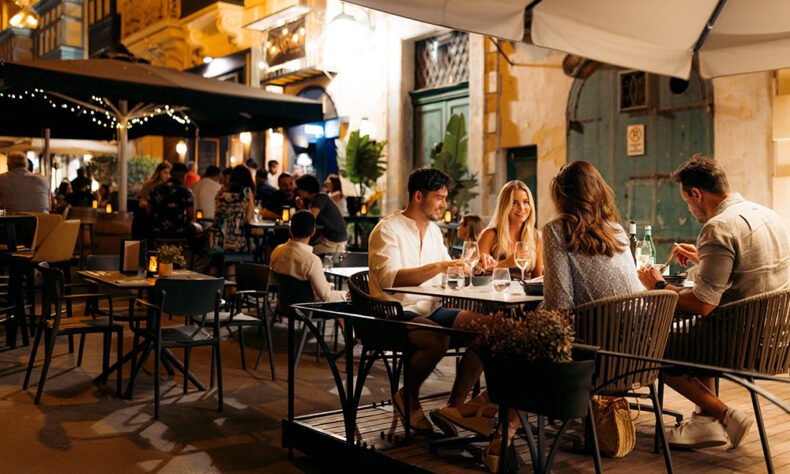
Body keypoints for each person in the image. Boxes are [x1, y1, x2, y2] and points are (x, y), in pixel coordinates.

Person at [637, 154, 790, 449]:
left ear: (697, 194)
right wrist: (703, 257)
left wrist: (657, 284)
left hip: (739, 342)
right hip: (778, 338)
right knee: (699, 329)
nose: (689, 207)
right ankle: (705, 422)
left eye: (687, 201)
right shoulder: (768, 215)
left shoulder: (718, 227)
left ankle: (723, 415)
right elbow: (749, 269)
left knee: (650, 346)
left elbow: (702, 304)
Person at [368, 168, 494, 433]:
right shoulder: (387, 230)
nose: (444, 204)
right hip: (393, 312)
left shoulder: (435, 232)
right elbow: (391, 279)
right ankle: (409, 399)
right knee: (437, 339)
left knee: (488, 329)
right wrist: (441, 266)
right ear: (418, 196)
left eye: (444, 197)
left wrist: (472, 266)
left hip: (432, 308)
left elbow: (448, 272)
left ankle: (454, 408)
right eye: (439, 197)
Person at [270, 210, 346, 302]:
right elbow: (326, 297)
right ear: (313, 232)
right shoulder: (312, 261)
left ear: (290, 230)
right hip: (308, 310)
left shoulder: (276, 251)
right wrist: (347, 295)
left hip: (284, 306)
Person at [477, 180, 543, 277]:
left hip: (525, 292)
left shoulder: (536, 236)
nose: (521, 208)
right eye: (514, 202)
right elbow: (476, 273)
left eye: (525, 202)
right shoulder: (490, 235)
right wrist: (506, 264)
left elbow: (537, 279)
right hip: (496, 291)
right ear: (504, 206)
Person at [296, 174, 348, 254]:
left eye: (299, 189)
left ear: (306, 190)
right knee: (302, 249)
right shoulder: (314, 200)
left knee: (303, 253)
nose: (298, 192)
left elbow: (310, 219)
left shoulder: (320, 198)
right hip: (330, 239)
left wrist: (301, 208)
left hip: (334, 242)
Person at [210, 165, 255, 255]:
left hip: (216, 238)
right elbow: (248, 218)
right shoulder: (246, 192)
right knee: (231, 265)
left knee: (214, 266)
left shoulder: (221, 191)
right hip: (235, 239)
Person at [150, 162, 199, 238]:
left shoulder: (156, 189)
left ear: (171, 173)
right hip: (178, 230)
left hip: (158, 229)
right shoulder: (186, 191)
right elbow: (191, 215)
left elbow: (149, 209)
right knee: (199, 229)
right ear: (184, 176)